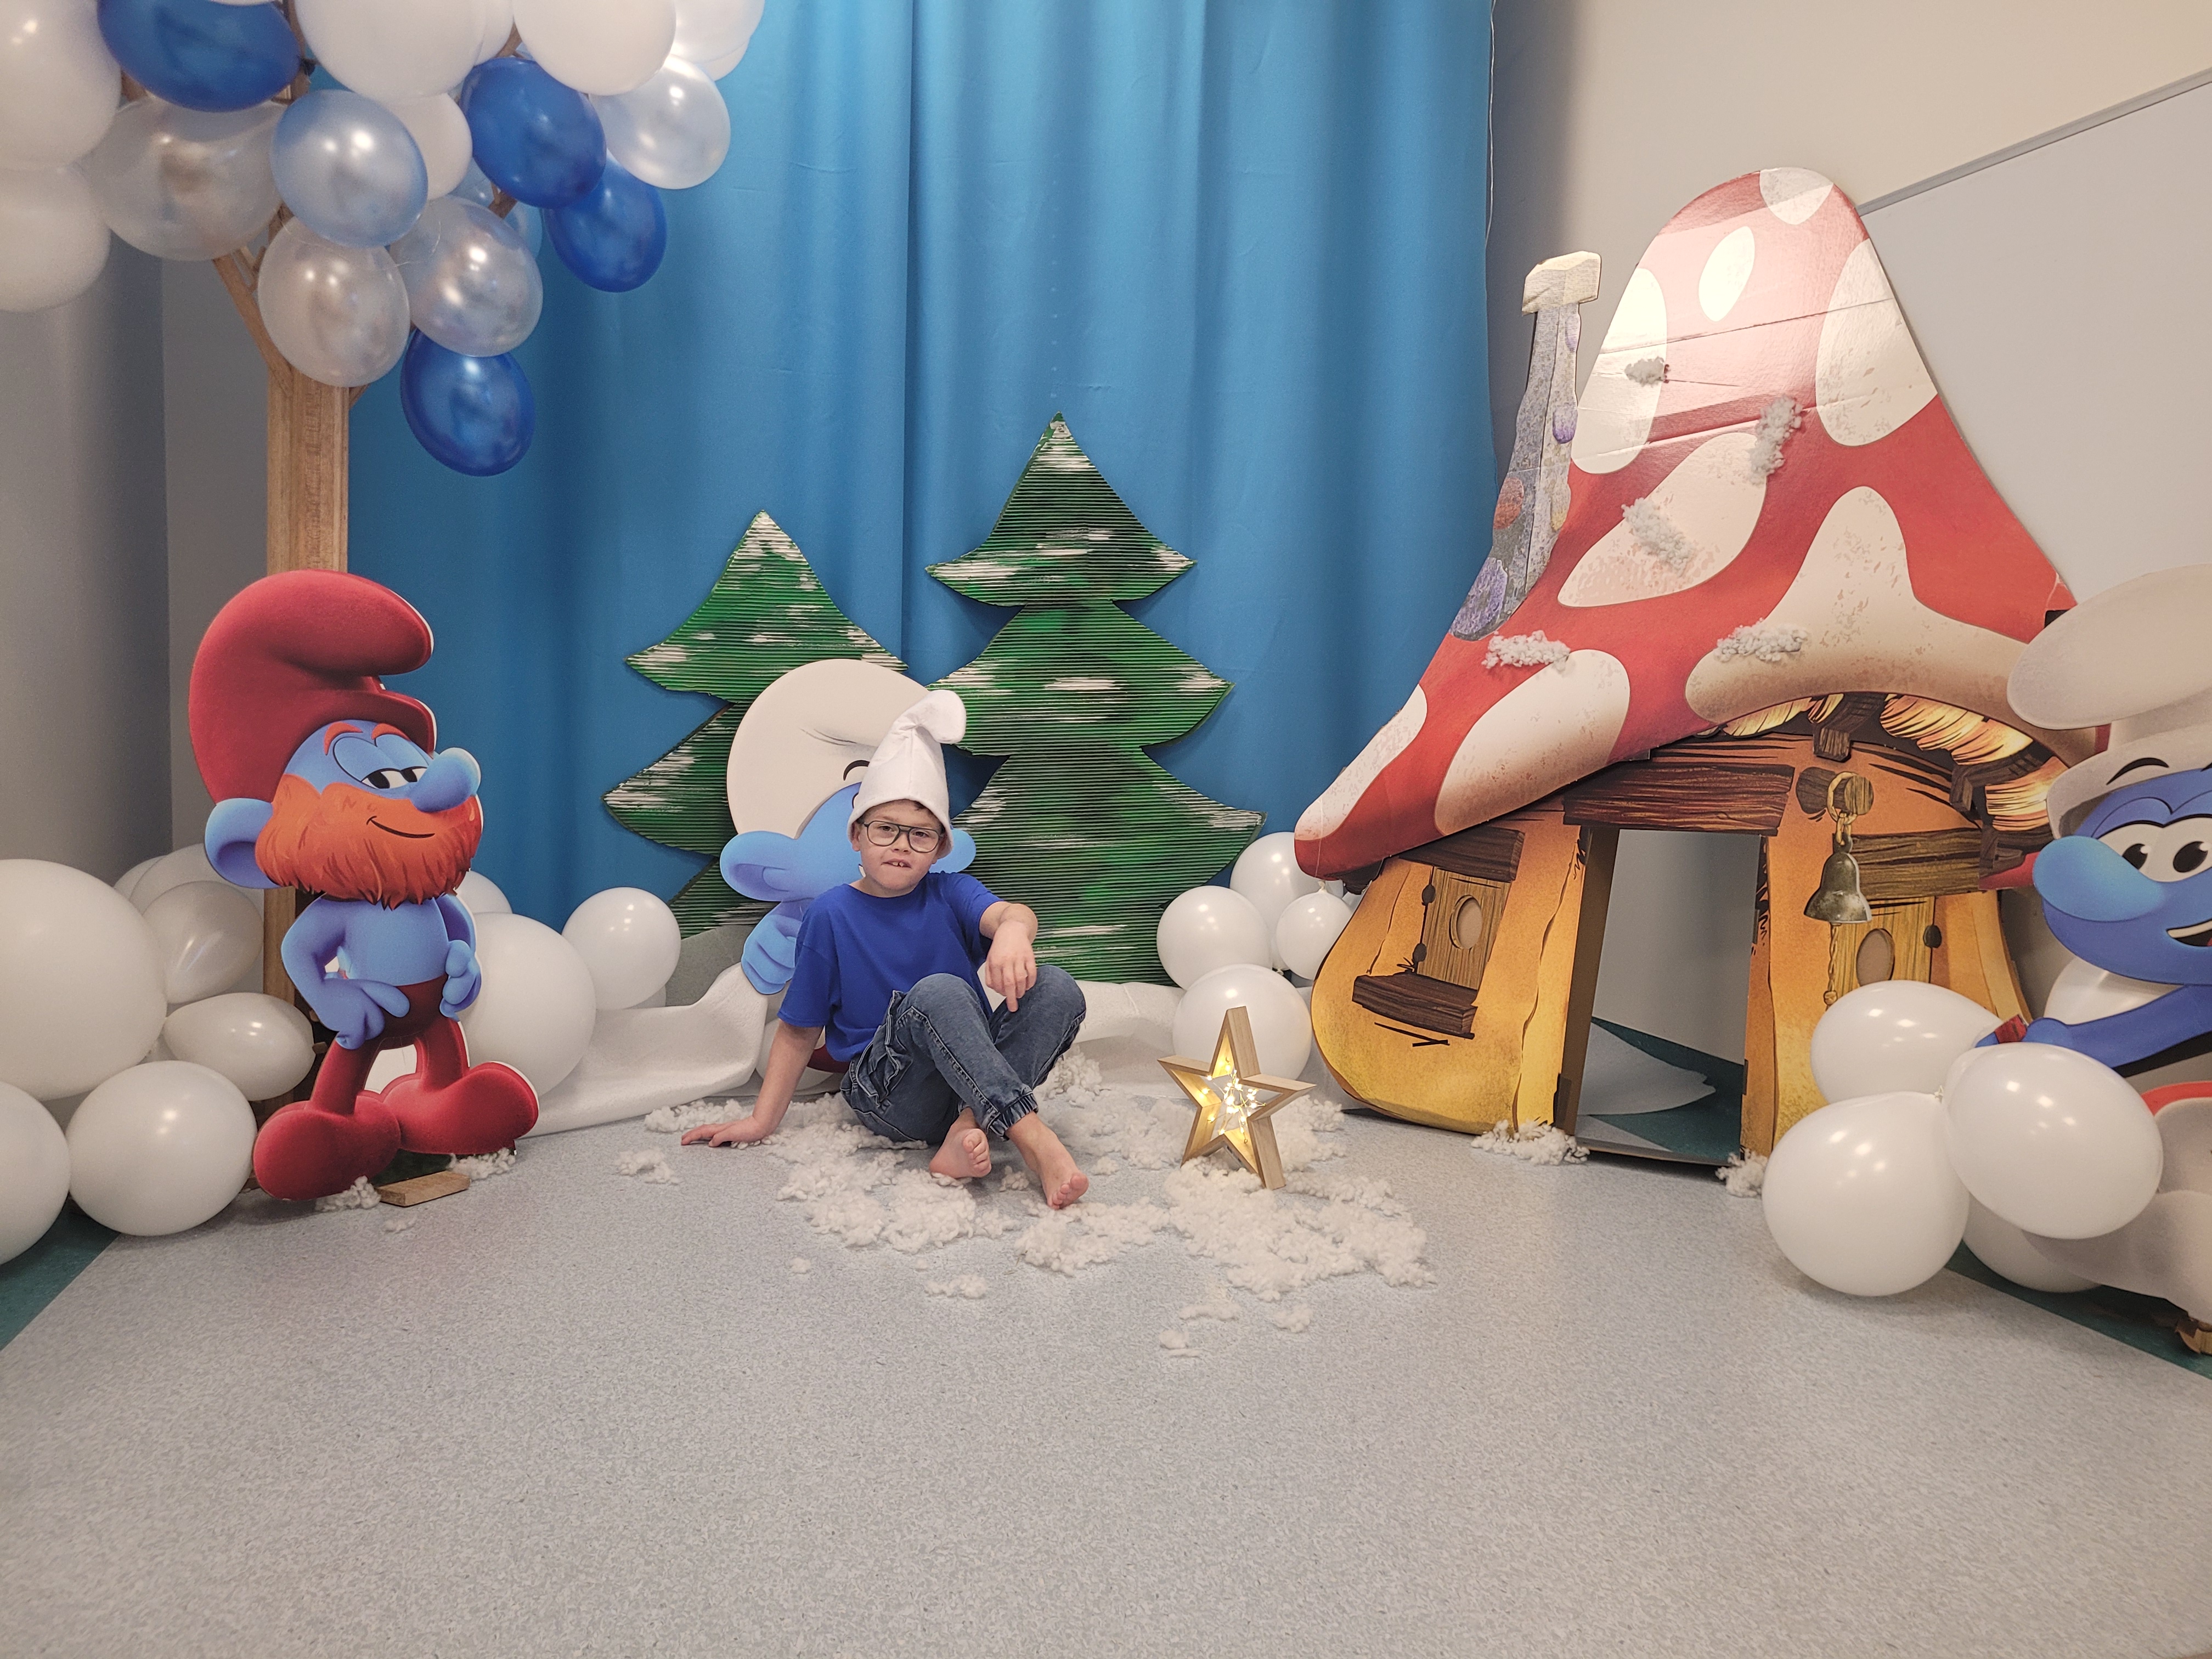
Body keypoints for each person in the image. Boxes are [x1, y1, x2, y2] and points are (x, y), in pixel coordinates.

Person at [682, 690, 1090, 1207]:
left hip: (966, 1083)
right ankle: (1033, 1138)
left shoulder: (951, 892)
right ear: (857, 836)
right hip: (891, 1092)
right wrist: (761, 1121)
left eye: (921, 836)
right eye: (886, 830)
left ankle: (970, 1127)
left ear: (940, 850)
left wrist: (1012, 931)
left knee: (1057, 987)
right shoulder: (831, 914)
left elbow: (1014, 914)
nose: (902, 844)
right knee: (940, 990)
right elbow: (799, 1030)